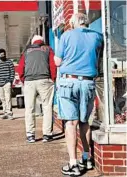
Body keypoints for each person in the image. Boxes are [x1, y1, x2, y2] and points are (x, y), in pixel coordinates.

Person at [54, 13, 103, 176]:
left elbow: (58, 62)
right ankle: (87, 158)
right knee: (84, 122)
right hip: (88, 82)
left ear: (74, 23)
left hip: (69, 82)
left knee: (71, 123)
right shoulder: (97, 36)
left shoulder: (66, 35)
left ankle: (73, 164)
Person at [17, 35, 57, 143]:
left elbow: (20, 68)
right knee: (47, 107)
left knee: (29, 109)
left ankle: (30, 135)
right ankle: (47, 134)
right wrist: (53, 79)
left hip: (29, 81)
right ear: (42, 41)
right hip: (45, 80)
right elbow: (53, 65)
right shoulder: (48, 49)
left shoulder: (27, 51)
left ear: (33, 42)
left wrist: (23, 80)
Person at [0, 48, 15, 119]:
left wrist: (10, 80)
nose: (3, 56)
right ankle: (5, 112)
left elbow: (12, 72)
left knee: (8, 97)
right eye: (1, 55)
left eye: (4, 54)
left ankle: (9, 113)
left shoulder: (9, 62)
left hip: (7, 82)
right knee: (2, 99)